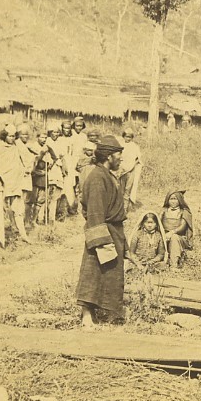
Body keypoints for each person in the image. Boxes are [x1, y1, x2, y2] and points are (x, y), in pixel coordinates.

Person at [76, 135, 127, 329]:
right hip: (101, 230)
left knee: (111, 273)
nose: (121, 158)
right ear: (109, 156)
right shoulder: (97, 178)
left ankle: (107, 313)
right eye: (118, 154)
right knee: (93, 271)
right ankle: (86, 315)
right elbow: (95, 211)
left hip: (112, 230)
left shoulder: (108, 175)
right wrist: (101, 241)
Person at [0, 125, 30, 243]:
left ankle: (20, 232)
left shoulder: (16, 147)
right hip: (5, 180)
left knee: (17, 206)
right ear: (4, 136)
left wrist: (25, 169)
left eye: (13, 136)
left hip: (16, 181)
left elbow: (26, 158)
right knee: (5, 206)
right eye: (9, 136)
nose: (11, 138)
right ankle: (7, 230)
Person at [31, 130, 62, 225]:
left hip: (44, 176)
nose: (44, 139)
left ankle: (34, 220)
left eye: (45, 138)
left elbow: (55, 158)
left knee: (41, 199)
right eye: (42, 137)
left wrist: (49, 166)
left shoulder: (47, 147)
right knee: (32, 199)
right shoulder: (33, 146)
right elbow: (33, 162)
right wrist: (41, 153)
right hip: (34, 176)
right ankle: (29, 220)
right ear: (37, 137)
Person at [160, 191, 194, 268]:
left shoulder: (184, 212)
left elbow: (182, 227)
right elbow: (158, 221)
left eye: (175, 199)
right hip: (165, 234)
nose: (173, 201)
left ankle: (174, 264)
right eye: (171, 199)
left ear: (180, 200)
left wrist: (172, 232)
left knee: (174, 238)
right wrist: (163, 234)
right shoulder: (164, 210)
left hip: (179, 237)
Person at [117, 128, 143, 210]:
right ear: (123, 136)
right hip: (121, 170)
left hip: (131, 171)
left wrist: (132, 165)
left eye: (130, 137)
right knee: (120, 190)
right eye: (126, 136)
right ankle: (119, 208)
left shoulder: (134, 146)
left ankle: (125, 208)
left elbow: (138, 158)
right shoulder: (120, 145)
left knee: (127, 190)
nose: (128, 139)